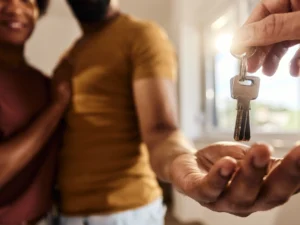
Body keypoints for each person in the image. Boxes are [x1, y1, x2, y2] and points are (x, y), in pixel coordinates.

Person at [54, 0, 300, 223]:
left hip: (120, 212)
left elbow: (162, 131)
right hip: (63, 211)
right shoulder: (68, 56)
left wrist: (180, 159)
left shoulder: (139, 35)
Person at [0, 0, 71, 224]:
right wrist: (56, 107)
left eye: (28, 0)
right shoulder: (56, 96)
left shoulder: (44, 83)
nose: (16, 8)